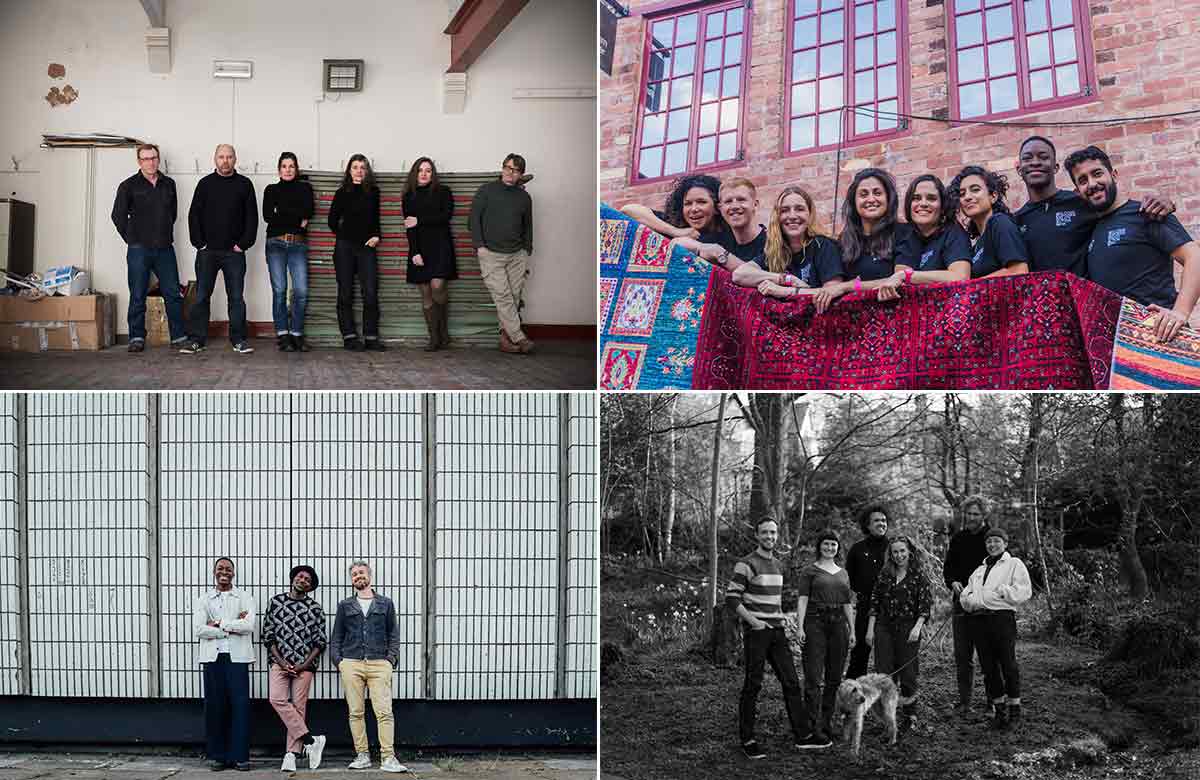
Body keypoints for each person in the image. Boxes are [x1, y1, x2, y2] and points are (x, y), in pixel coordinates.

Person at [1065, 145, 1200, 344]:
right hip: (1119, 347)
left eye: (1097, 174)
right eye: (1083, 180)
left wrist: (1180, 313)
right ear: (1078, 192)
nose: (1092, 184)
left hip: (1162, 338)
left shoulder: (1147, 212)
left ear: (1114, 174)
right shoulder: (1090, 230)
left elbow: (1194, 256)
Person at [726, 517, 830, 758]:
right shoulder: (746, 564)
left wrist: (783, 618)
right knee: (753, 684)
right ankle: (748, 739)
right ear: (757, 535)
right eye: (765, 533)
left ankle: (803, 736)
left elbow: (775, 600)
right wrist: (754, 622)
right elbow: (732, 598)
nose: (770, 537)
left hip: (777, 631)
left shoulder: (779, 565)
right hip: (757, 632)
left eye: (773, 533)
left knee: (791, 682)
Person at [1012, 135, 1174, 277]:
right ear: (1019, 169)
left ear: (1055, 167)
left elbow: (1120, 209)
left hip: (1085, 306)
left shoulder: (1081, 202)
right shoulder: (1015, 222)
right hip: (1041, 309)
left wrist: (1165, 202)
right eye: (1027, 158)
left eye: (1043, 157)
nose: (1035, 163)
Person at [329, 560, 406, 773]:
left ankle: (388, 757)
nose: (358, 576)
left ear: (369, 576)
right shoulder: (345, 605)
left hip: (379, 663)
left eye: (361, 572)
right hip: (351, 664)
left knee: (384, 712)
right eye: (354, 574)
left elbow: (393, 634)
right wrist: (340, 662)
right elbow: (336, 637)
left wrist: (391, 660)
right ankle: (362, 755)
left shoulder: (385, 603)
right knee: (355, 711)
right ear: (352, 580)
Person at [181, 144, 258, 355]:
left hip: (234, 253)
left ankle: (239, 340)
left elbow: (252, 218)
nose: (225, 160)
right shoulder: (205, 184)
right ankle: (197, 340)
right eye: (221, 157)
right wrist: (200, 243)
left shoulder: (245, 184)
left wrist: (243, 245)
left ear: (235, 159)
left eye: (229, 157)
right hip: (208, 252)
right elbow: (193, 215)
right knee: (202, 297)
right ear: (215, 159)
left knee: (236, 297)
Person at [110, 143, 187, 352]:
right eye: (145, 159)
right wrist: (132, 238)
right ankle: (136, 337)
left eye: (153, 158)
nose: (150, 162)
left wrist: (162, 232)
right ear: (139, 162)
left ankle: (179, 337)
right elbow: (117, 216)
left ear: (158, 159)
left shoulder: (169, 184)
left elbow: (173, 214)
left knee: (172, 292)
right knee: (137, 293)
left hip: (164, 248)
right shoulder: (128, 186)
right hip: (139, 250)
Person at [960, 527, 1032, 730]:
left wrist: (1004, 592)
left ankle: (1014, 711)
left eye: (996, 541)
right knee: (988, 667)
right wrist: (973, 600)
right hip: (979, 621)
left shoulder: (1013, 564)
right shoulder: (979, 570)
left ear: (1005, 543)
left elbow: (1024, 590)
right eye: (989, 542)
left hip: (1002, 619)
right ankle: (999, 711)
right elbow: (966, 595)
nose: (992, 545)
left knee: (1008, 664)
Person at [809, 169, 910, 313]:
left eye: (877, 193)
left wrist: (848, 286)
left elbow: (901, 280)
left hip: (896, 319)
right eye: (863, 194)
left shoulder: (904, 233)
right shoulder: (845, 240)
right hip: (856, 325)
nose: (871, 199)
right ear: (854, 202)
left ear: (888, 198)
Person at [192, 557, 256, 772]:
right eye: (220, 568)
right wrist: (230, 627)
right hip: (213, 658)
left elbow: (249, 625)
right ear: (214, 572)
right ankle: (218, 756)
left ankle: (240, 757)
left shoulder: (245, 597)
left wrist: (219, 623)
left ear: (234, 573)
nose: (224, 572)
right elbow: (199, 629)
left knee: (240, 707)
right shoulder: (204, 599)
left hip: (238, 658)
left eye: (228, 569)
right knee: (215, 706)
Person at [263, 564, 327, 773]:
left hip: (305, 666)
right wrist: (281, 662)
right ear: (293, 579)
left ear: (310, 587)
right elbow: (268, 635)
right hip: (279, 663)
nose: (303, 580)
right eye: (300, 576)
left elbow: (320, 642)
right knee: (276, 699)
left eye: (308, 580)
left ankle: (291, 754)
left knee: (299, 707)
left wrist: (304, 665)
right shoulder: (276, 602)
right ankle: (311, 741)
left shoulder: (315, 608)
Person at [731, 185, 846, 300]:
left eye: (799, 209)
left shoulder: (823, 246)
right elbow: (739, 274)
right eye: (785, 210)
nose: (792, 216)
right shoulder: (776, 252)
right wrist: (787, 279)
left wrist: (784, 290)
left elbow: (832, 292)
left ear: (809, 214)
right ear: (778, 217)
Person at [470, 153, 535, 354]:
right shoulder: (486, 191)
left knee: (514, 297)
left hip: (517, 254)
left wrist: (527, 249)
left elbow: (528, 225)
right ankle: (519, 337)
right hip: (491, 254)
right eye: (506, 167)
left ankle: (506, 341)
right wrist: (480, 247)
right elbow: (473, 220)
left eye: (514, 170)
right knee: (503, 296)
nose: (509, 172)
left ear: (520, 174)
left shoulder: (524, 197)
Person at [866, 536, 932, 732]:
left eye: (902, 551)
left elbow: (925, 605)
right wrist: (871, 629)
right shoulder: (885, 574)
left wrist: (918, 626)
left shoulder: (919, 574)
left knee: (908, 672)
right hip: (884, 627)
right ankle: (889, 715)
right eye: (895, 552)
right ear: (890, 554)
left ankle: (910, 714)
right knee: (885, 674)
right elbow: (874, 602)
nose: (899, 555)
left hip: (908, 627)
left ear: (909, 551)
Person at [795, 529, 854, 741]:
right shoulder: (809, 571)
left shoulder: (843, 573)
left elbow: (848, 603)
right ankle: (811, 726)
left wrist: (852, 630)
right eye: (826, 544)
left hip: (839, 626)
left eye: (834, 544)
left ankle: (827, 723)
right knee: (813, 677)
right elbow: (802, 599)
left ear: (838, 548)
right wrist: (800, 627)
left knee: (834, 679)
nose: (830, 548)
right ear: (819, 546)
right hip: (815, 623)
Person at [877, 174, 973, 302]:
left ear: (942, 206)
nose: (923, 204)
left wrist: (907, 276)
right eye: (916, 198)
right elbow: (901, 283)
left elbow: (960, 277)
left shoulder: (953, 232)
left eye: (931, 198)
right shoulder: (907, 236)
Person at [328, 153, 385, 352]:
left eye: (362, 167)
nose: (359, 171)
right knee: (345, 292)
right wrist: (345, 235)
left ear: (367, 170)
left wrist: (377, 235)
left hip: (367, 247)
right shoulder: (342, 192)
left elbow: (375, 219)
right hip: (344, 248)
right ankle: (349, 336)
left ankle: (371, 337)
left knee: (370, 292)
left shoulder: (374, 192)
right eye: (355, 167)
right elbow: (331, 221)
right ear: (349, 170)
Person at [262, 152, 315, 352]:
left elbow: (309, 211)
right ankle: (283, 334)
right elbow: (268, 216)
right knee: (280, 290)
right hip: (275, 244)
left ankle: (297, 335)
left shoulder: (305, 188)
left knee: (301, 291)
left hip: (298, 245)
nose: (288, 169)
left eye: (291, 166)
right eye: (284, 166)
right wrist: (296, 218)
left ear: (296, 168)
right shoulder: (271, 189)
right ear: (279, 169)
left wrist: (281, 213)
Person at [403, 157, 457, 351]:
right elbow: (410, 227)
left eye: (428, 170)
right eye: (420, 170)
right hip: (420, 248)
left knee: (437, 285)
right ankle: (434, 338)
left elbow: (446, 216)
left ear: (433, 173)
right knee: (425, 293)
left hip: (441, 245)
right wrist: (414, 252)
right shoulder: (409, 195)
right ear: (415, 173)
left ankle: (443, 330)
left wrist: (420, 220)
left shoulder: (444, 192)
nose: (424, 174)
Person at [944, 496, 991, 714]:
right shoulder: (958, 538)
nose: (971, 518)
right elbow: (948, 568)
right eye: (969, 514)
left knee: (988, 655)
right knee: (963, 656)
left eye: (976, 514)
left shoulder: (992, 538)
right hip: (960, 604)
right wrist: (952, 581)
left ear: (984, 516)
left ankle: (994, 700)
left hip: (985, 606)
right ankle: (965, 702)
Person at [946, 165, 1029, 279]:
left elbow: (1019, 270)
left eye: (975, 190)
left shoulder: (999, 222)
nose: (967, 197)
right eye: (962, 194)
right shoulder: (976, 244)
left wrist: (970, 288)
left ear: (993, 196)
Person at [671, 178, 767, 273]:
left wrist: (719, 253)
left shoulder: (773, 241)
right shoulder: (719, 238)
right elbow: (676, 243)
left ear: (755, 205)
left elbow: (755, 277)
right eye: (728, 201)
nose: (734, 206)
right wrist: (701, 247)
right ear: (720, 208)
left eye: (741, 200)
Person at [845, 504, 891, 679]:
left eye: (884, 520)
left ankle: (887, 694)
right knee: (859, 654)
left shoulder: (893, 547)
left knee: (887, 655)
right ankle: (851, 692)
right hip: (865, 606)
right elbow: (848, 581)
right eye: (877, 521)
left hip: (890, 607)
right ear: (867, 525)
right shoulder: (857, 549)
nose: (881, 524)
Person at [618, 173, 728, 240]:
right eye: (688, 204)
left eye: (701, 202)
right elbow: (628, 210)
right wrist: (675, 232)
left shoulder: (729, 235)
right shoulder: (674, 226)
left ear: (717, 207)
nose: (694, 209)